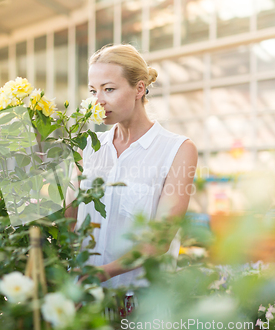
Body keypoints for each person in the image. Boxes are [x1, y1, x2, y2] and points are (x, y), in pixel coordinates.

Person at [67, 44, 198, 289]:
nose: (98, 101)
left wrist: (103, 272)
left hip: (140, 305)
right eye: (93, 91)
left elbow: (160, 239)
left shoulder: (178, 150)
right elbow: (69, 221)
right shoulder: (87, 148)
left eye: (109, 89)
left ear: (139, 89)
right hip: (85, 300)